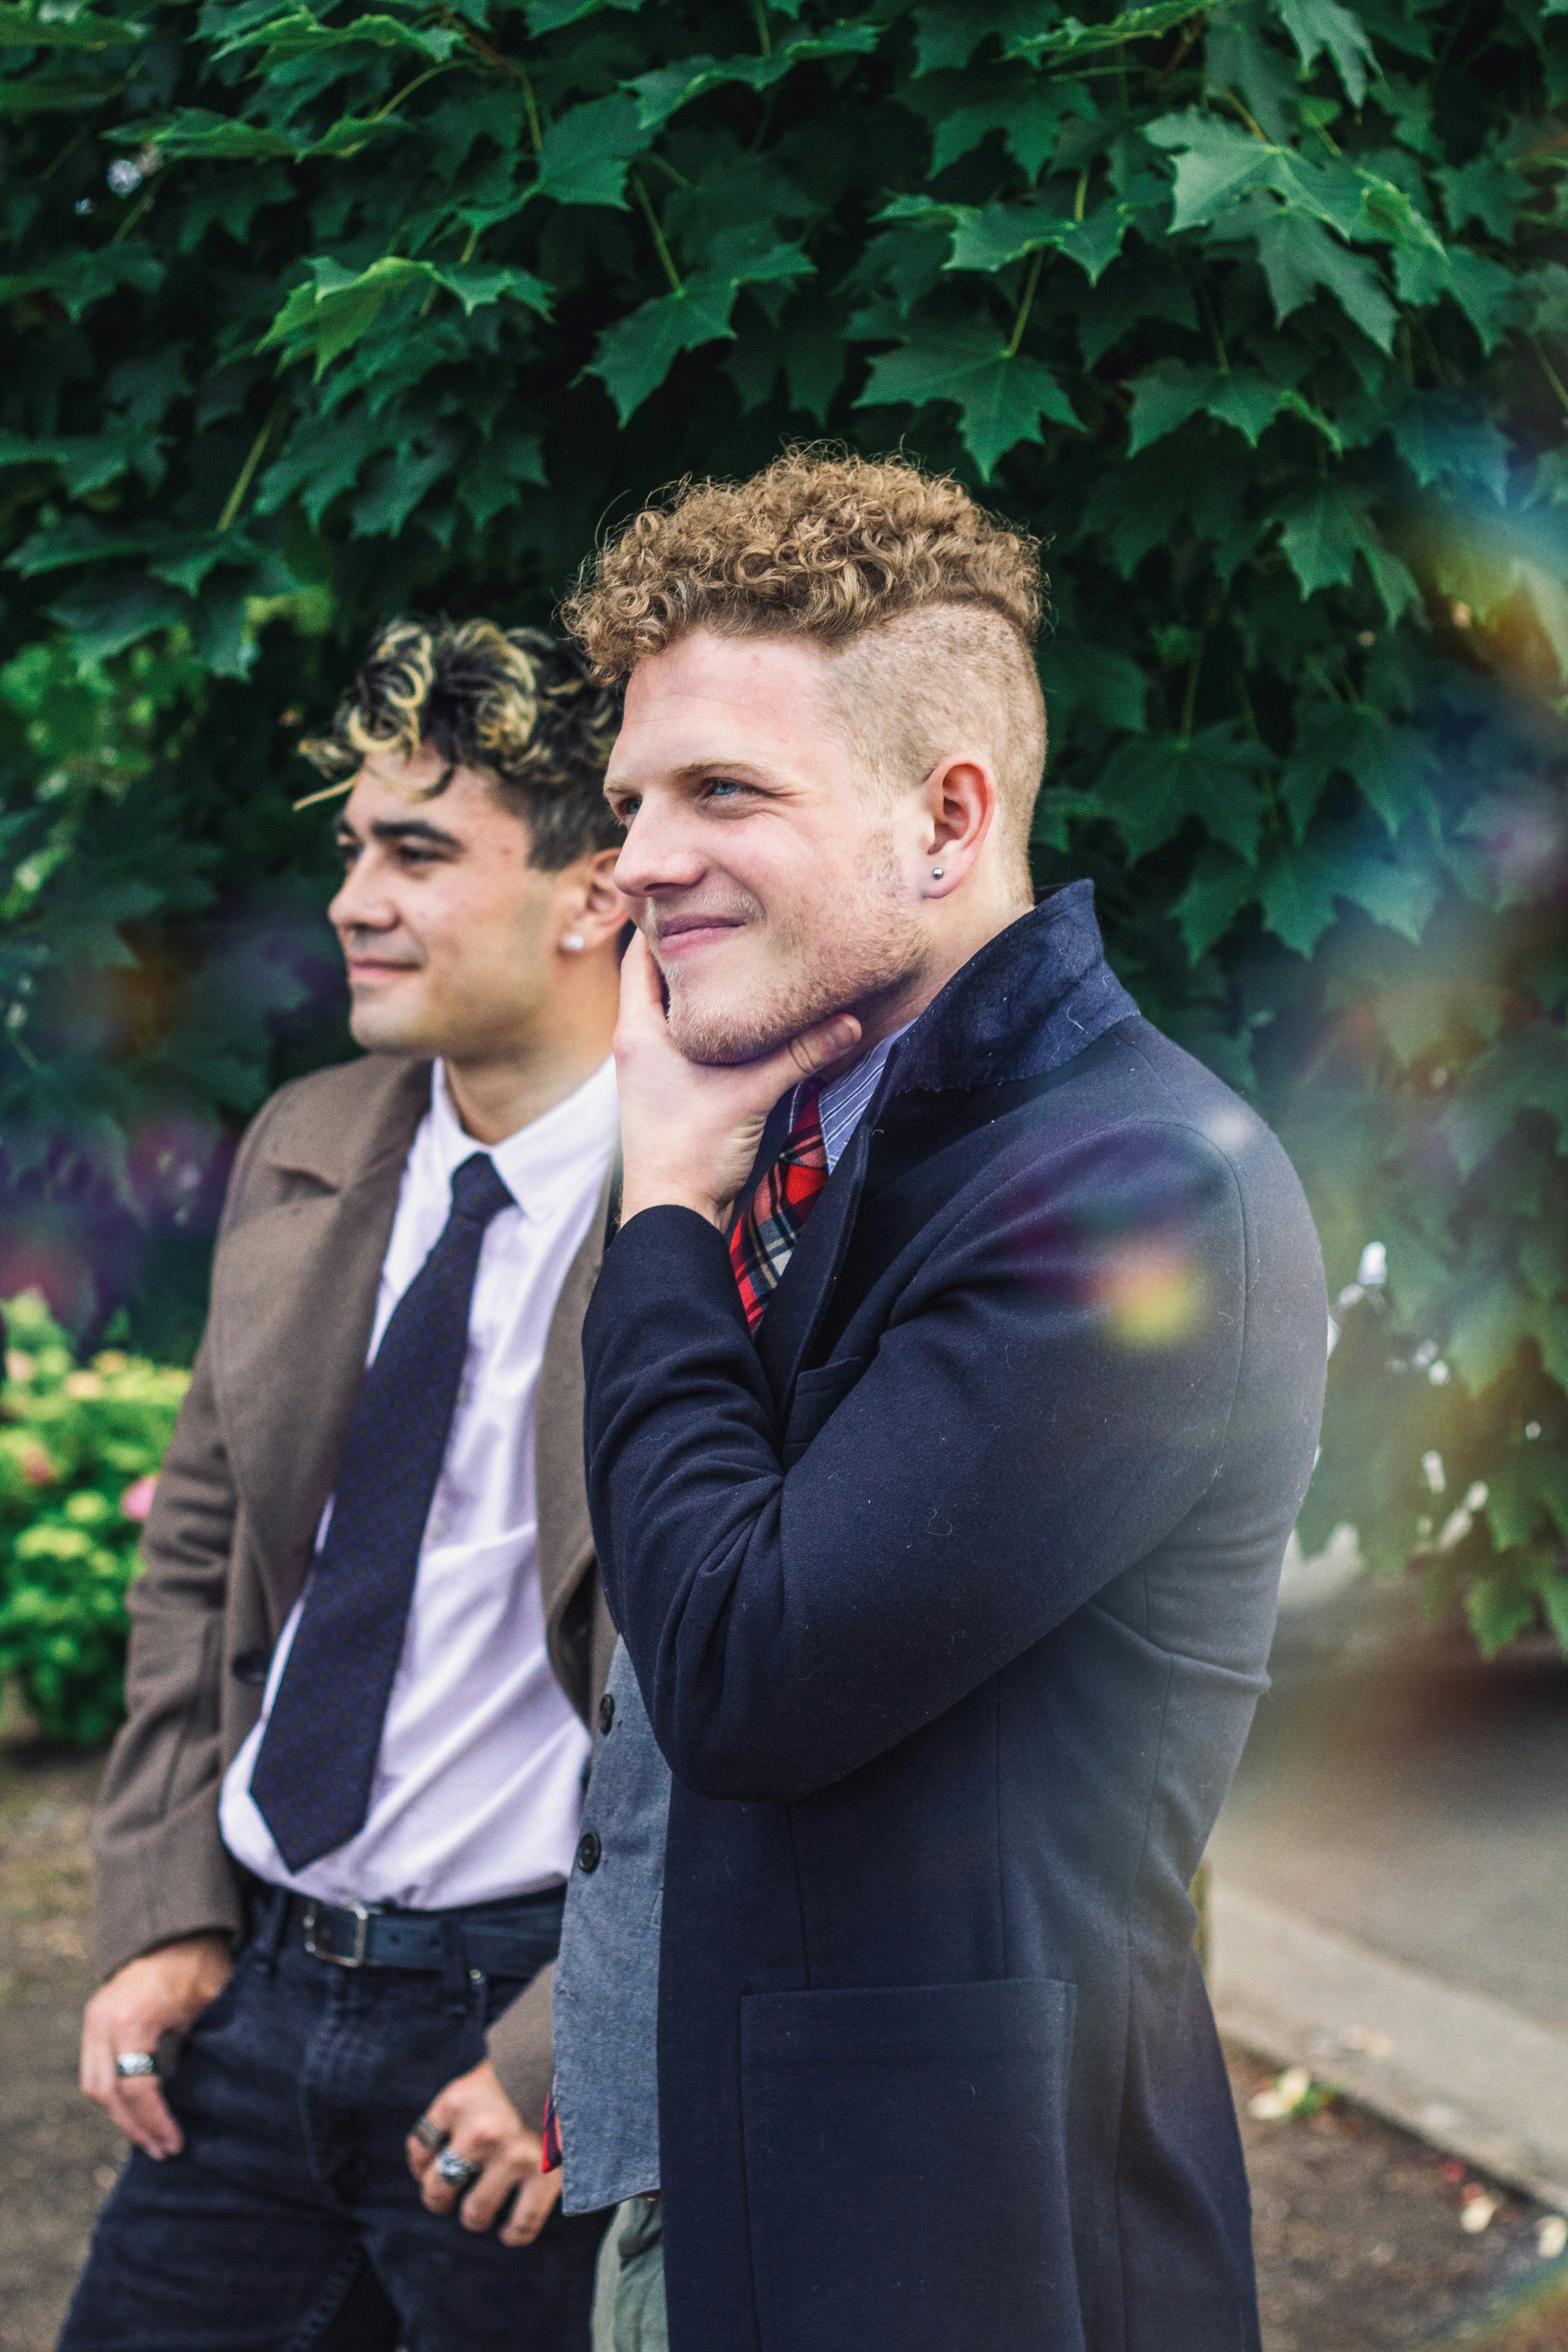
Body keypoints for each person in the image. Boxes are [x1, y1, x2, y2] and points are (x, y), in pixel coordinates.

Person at [548, 450, 1328, 2352]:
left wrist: (663, 1214)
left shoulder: (1143, 1191)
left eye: (724, 791)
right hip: (705, 2185)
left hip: (949, 2251)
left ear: (947, 818)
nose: (639, 859)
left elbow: (744, 1662)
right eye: (634, 799)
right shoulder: (792, 1133)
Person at [64, 620, 627, 2352]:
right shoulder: (309, 1142)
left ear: (596, 893)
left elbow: (747, 1706)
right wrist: (165, 1911)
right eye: (354, 848)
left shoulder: (718, 1205)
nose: (352, 900)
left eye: (418, 853)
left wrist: (572, 2043)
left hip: (513, 2032)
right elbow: (201, 1557)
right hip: (260, 1990)